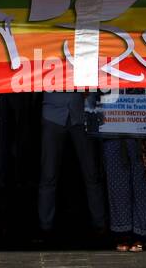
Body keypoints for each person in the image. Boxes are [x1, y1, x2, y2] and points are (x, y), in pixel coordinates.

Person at [38, 91, 106, 241]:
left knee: (92, 173)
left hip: (84, 111)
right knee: (48, 174)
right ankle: (45, 225)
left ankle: (100, 223)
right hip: (53, 112)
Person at [101, 92, 146, 252]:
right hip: (112, 117)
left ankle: (141, 233)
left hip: (142, 115)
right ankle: (122, 232)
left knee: (141, 182)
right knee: (117, 182)